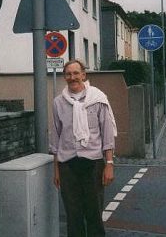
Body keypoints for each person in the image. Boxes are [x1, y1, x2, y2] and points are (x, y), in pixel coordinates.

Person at [49, 59, 117, 237]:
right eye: (68, 74)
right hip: (67, 165)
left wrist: (109, 164)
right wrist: (56, 169)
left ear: (83, 75)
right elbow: (56, 137)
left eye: (76, 73)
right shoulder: (58, 102)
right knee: (73, 215)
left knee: (94, 214)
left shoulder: (98, 98)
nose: (72, 77)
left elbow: (107, 134)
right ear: (64, 77)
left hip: (93, 163)